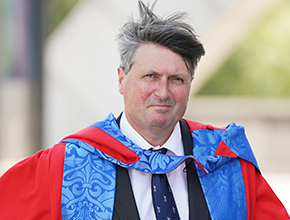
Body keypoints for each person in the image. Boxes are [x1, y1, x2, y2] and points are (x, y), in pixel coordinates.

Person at [0, 1, 289, 220]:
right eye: (150, 76)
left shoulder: (225, 161)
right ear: (122, 79)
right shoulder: (64, 166)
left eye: (176, 79)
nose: (163, 92)